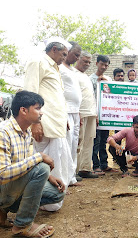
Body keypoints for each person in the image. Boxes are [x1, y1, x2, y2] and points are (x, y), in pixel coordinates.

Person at [0, 91, 65, 237]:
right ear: (23, 110)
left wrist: (49, 177)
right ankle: (22, 225)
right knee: (41, 167)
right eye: (37, 108)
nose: (41, 113)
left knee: (56, 194)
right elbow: (3, 174)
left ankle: (2, 209)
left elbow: (23, 164)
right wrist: (40, 157)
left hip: (9, 186)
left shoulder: (25, 132)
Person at [24, 37, 74, 211]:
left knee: (58, 161)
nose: (64, 58)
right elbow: (29, 93)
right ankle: (43, 200)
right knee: (43, 163)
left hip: (56, 124)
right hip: (43, 124)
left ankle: (52, 199)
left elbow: (56, 97)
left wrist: (64, 119)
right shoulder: (37, 62)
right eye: (63, 54)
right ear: (54, 49)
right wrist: (34, 123)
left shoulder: (54, 67)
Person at [59, 41, 82, 185]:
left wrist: (79, 114)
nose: (77, 59)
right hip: (65, 111)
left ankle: (71, 176)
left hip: (76, 112)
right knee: (66, 144)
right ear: (67, 51)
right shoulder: (59, 67)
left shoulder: (73, 71)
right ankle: (63, 179)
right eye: (76, 55)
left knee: (74, 144)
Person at [75, 52, 100, 178]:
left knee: (89, 140)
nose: (87, 64)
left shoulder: (86, 77)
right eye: (85, 61)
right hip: (80, 112)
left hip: (90, 112)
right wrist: (77, 112)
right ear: (78, 59)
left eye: (89, 62)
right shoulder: (72, 74)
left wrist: (95, 114)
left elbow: (92, 96)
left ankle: (85, 168)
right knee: (78, 141)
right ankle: (74, 170)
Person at [90, 55, 115, 174]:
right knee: (96, 141)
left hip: (106, 115)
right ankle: (95, 165)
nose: (104, 67)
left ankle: (104, 164)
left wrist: (106, 83)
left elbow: (112, 95)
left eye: (106, 65)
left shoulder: (108, 79)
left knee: (104, 140)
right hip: (95, 114)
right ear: (96, 64)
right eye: (102, 64)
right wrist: (94, 114)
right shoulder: (90, 79)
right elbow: (90, 97)